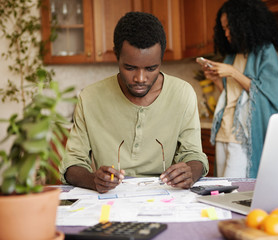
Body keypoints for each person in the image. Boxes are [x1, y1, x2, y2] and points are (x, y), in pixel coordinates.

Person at [60, 12, 209, 193]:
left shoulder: (182, 94)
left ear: (161, 60)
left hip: (166, 198)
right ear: (117, 57)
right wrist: (93, 180)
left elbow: (194, 155)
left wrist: (190, 173)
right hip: (109, 199)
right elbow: (72, 163)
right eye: (130, 68)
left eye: (151, 68)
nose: (140, 78)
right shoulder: (90, 98)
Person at [197, 0, 278, 178]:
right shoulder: (232, 56)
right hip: (224, 132)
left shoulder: (265, 51)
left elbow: (271, 94)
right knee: (221, 190)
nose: (227, 33)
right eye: (224, 29)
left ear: (243, 24)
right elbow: (233, 97)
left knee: (234, 191)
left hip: (243, 137)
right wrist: (217, 80)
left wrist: (233, 73)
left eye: (230, 27)